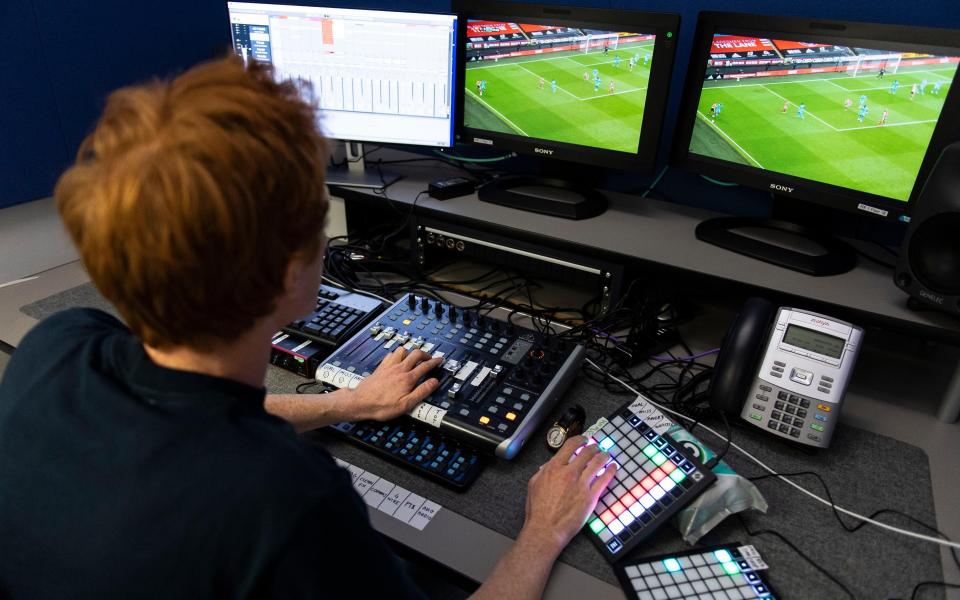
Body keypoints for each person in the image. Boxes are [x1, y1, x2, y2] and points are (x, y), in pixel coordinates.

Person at [0, 56, 617, 599]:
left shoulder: (60, 344)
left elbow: (196, 410)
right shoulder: (289, 501)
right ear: (294, 275)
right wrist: (543, 531)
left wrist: (351, 402)